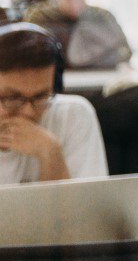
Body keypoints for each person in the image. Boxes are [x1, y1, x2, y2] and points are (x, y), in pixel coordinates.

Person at [0, 23, 108, 184]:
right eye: (13, 98)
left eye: (41, 96)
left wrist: (50, 152)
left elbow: (87, 208)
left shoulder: (74, 114)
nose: (29, 112)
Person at [24, 0, 132, 70]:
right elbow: (29, 55)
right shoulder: (40, 17)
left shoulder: (102, 16)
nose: (75, 2)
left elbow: (125, 52)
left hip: (98, 78)